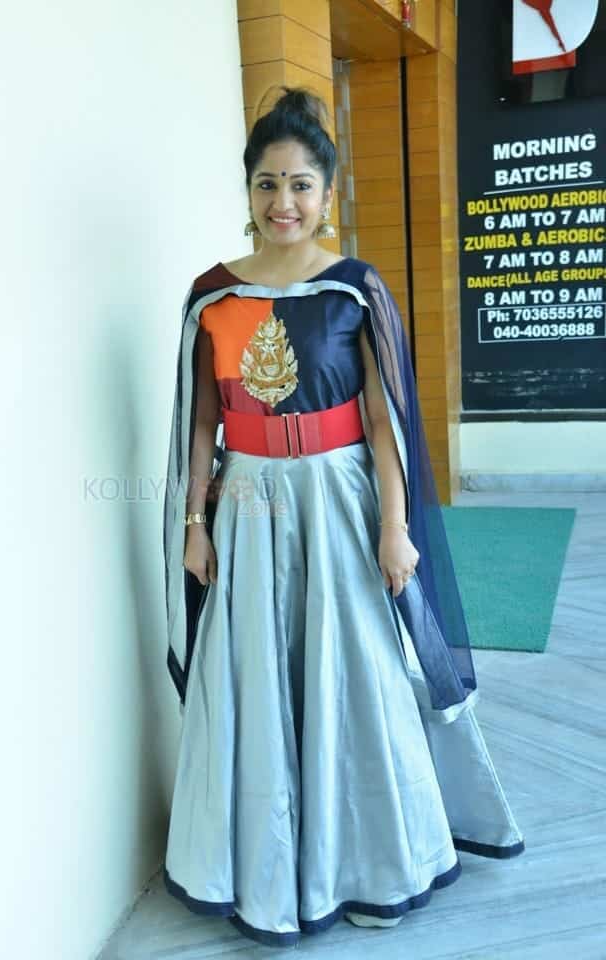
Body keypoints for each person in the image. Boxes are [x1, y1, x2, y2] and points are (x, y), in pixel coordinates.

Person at [162, 85, 525, 949]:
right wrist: (194, 524)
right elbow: (203, 420)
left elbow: (384, 420)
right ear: (248, 190)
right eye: (266, 183)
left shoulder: (354, 290)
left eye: (300, 184)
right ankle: (264, 871)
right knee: (255, 676)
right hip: (247, 505)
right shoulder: (212, 296)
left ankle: (369, 864)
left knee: (352, 669)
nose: (282, 202)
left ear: (328, 193)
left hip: (338, 499)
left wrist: (394, 527)